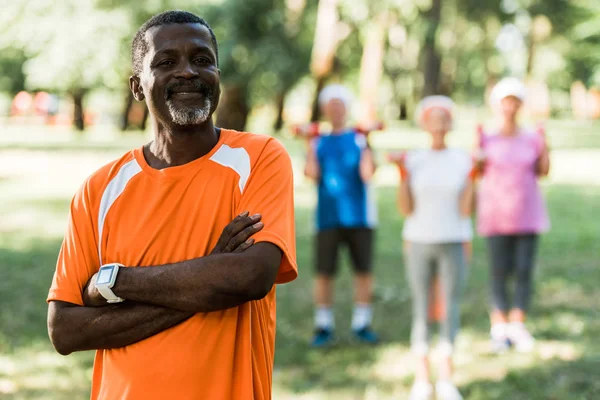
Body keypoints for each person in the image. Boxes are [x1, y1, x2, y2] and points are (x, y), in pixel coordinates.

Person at [46, 11, 297, 400]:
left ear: (217, 74)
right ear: (136, 86)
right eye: (166, 62)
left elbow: (249, 277)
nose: (187, 72)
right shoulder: (100, 190)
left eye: (202, 60)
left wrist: (115, 282)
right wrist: (210, 274)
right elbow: (65, 330)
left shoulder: (259, 157)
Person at [389, 96, 473, 400]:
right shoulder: (413, 158)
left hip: (454, 239)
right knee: (422, 308)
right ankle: (423, 379)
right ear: (424, 123)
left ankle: (447, 379)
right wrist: (402, 174)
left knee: (449, 307)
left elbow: (466, 211)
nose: (438, 123)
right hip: (419, 241)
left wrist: (474, 176)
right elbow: (405, 208)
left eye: (444, 118)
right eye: (433, 118)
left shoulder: (464, 159)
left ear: (450, 123)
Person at [476, 77, 550, 353]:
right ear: (498, 105)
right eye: (505, 101)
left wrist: (545, 145)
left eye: (515, 102)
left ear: (521, 105)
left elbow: (543, 170)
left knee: (523, 270)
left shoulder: (533, 137)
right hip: (495, 215)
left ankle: (517, 325)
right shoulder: (486, 136)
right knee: (498, 271)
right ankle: (499, 326)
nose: (510, 107)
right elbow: (478, 172)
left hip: (527, 214)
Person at [304, 84, 379, 346]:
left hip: (359, 217)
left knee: (363, 271)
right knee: (324, 272)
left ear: (347, 109)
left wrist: (368, 140)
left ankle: (362, 323)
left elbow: (368, 174)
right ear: (325, 110)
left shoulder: (359, 139)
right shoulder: (318, 141)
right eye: (331, 105)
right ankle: (323, 325)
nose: (336, 110)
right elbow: (311, 175)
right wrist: (308, 144)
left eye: (340, 105)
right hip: (327, 217)